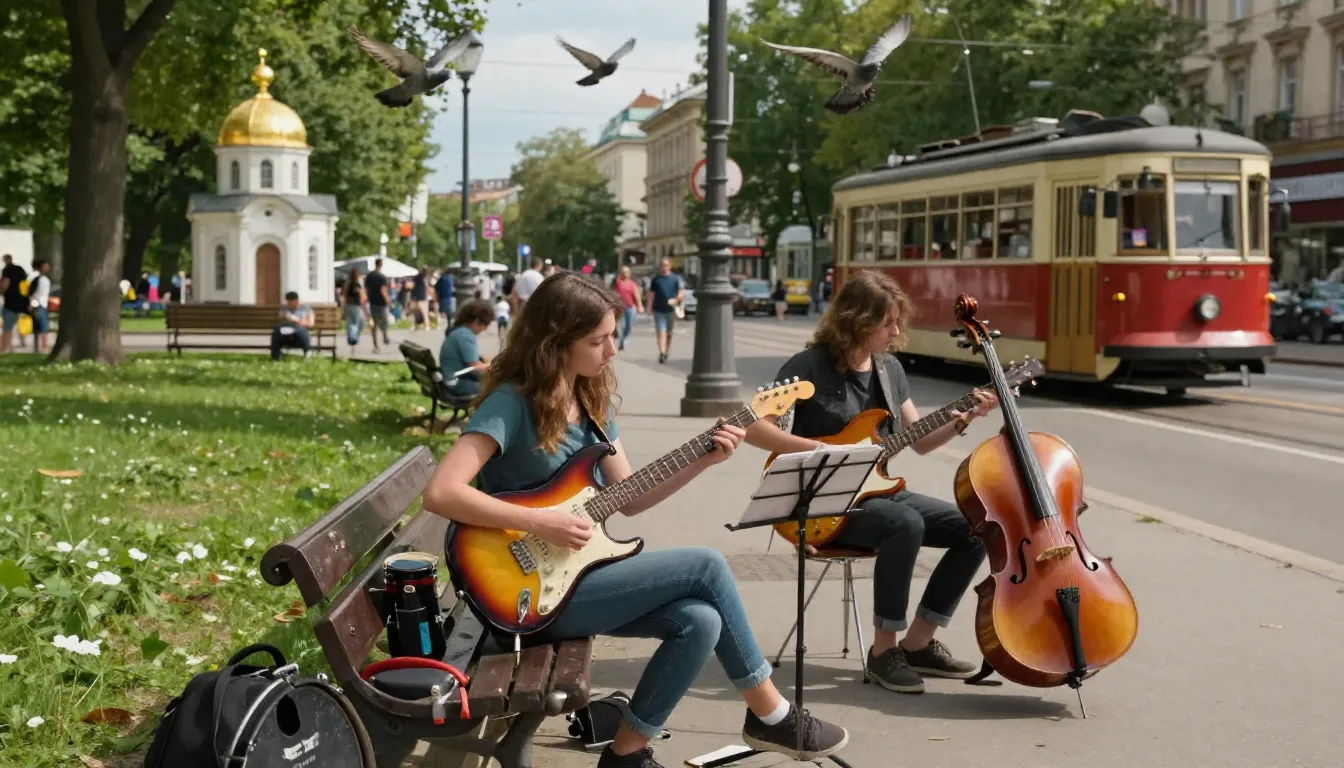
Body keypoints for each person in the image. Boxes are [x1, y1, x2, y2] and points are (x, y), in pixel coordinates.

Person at [421, 273, 848, 768]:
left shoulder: (590, 404)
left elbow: (632, 498)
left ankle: (626, 755)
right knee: (707, 566)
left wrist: (705, 457)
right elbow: (441, 492)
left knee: (700, 621)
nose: (611, 351)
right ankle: (772, 715)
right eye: (597, 340)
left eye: (610, 337)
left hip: (573, 575)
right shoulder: (511, 403)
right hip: (524, 593)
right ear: (555, 343)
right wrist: (542, 524)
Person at [742, 269, 998, 695]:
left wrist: (965, 417)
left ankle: (918, 642)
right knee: (905, 524)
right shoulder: (808, 367)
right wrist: (815, 449)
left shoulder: (890, 369)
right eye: (888, 323)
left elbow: (918, 440)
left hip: (875, 489)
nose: (896, 332)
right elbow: (754, 428)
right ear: (856, 320)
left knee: (977, 527)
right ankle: (884, 651)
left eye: (898, 322)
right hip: (822, 499)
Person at [438, 299, 494, 397]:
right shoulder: (466, 335)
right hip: (455, 383)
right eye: (485, 325)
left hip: (449, 377)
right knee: (496, 389)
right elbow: (475, 365)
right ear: (476, 321)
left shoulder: (458, 331)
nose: (485, 329)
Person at [645, 258, 683, 364]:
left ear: (669, 266)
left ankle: (666, 351)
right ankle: (661, 353)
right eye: (662, 265)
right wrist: (649, 307)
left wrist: (676, 299)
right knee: (661, 332)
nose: (663, 267)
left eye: (665, 265)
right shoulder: (656, 279)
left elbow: (680, 292)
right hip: (658, 310)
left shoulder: (675, 278)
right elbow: (651, 294)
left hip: (671, 310)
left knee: (669, 333)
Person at [271, 291, 315, 361]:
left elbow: (311, 324)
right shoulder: (284, 308)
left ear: (296, 301)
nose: (288, 304)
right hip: (285, 334)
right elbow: (279, 318)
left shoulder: (306, 308)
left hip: (299, 336)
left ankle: (307, 352)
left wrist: (298, 321)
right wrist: (285, 316)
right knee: (276, 331)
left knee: (300, 330)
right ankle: (275, 357)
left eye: (290, 302)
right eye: (288, 302)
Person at [364, 258, 392, 351]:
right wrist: (389, 302)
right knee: (384, 322)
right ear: (381, 265)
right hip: (381, 304)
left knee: (374, 325)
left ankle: (375, 344)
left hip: (372, 303)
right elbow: (383, 291)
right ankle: (385, 337)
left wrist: (368, 299)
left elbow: (366, 290)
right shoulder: (382, 277)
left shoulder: (369, 276)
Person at [612, 266, 643, 351]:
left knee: (628, 327)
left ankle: (623, 340)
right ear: (621, 273)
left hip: (630, 308)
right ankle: (622, 343)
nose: (625, 274)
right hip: (620, 307)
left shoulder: (632, 284)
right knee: (622, 326)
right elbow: (613, 294)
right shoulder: (617, 282)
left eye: (627, 272)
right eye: (623, 272)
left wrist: (639, 306)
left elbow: (636, 295)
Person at [27, 260, 51, 354]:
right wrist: (32, 303)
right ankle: (40, 347)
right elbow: (31, 293)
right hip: (37, 304)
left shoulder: (45, 279)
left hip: (43, 304)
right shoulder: (37, 279)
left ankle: (43, 346)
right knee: (40, 326)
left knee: (43, 326)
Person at [343, 266, 368, 352]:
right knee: (358, 324)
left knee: (351, 324)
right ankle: (353, 340)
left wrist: (344, 308)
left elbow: (345, 297)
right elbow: (362, 298)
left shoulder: (348, 284)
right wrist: (365, 310)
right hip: (356, 307)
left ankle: (351, 340)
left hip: (349, 306)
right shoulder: (357, 285)